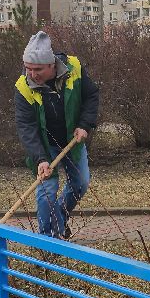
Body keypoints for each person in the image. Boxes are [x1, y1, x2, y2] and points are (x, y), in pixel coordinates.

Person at [15, 31, 99, 238]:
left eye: (37, 69)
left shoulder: (74, 68)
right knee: (45, 195)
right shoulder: (23, 87)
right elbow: (26, 126)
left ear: (52, 65)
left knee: (80, 184)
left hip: (72, 140)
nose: (32, 74)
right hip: (45, 146)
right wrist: (41, 159)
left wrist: (84, 125)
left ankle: (60, 214)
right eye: (28, 68)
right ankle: (48, 241)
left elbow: (91, 96)